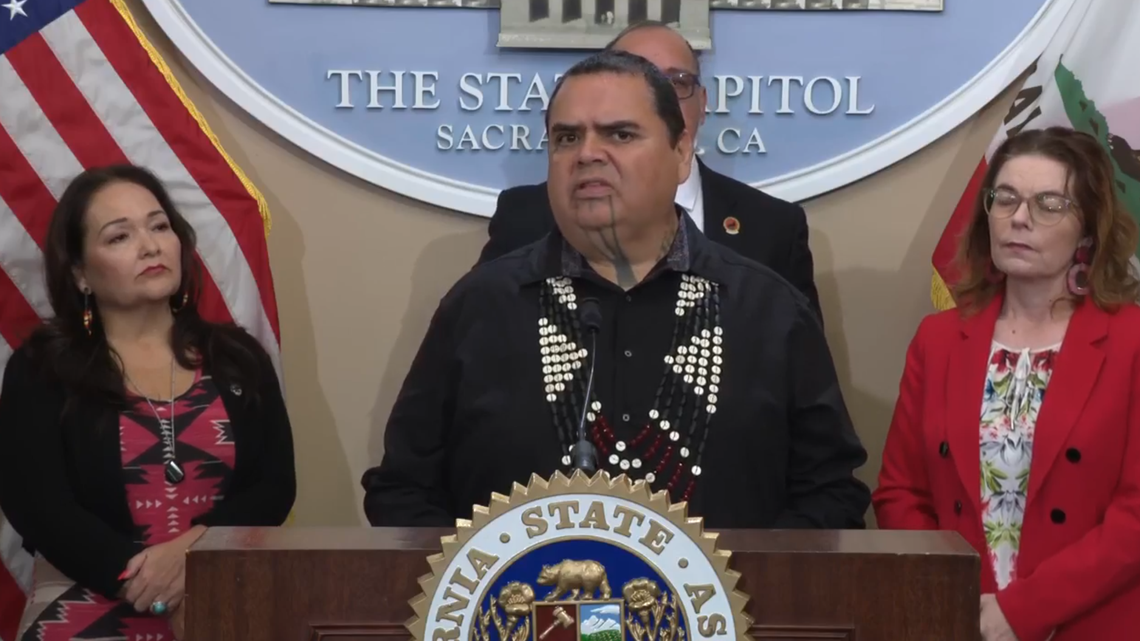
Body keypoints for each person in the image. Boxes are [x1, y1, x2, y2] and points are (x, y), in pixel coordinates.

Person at [361, 50, 869, 530]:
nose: (587, 154)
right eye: (565, 138)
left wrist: (746, 590)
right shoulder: (481, 306)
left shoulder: (769, 311)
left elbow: (830, 494)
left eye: (620, 134)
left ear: (681, 152)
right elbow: (402, 491)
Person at [0, 165, 296, 641]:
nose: (150, 245)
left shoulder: (239, 358)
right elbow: (39, 507)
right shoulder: (41, 369)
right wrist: (148, 584)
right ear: (80, 274)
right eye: (120, 237)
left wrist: (192, 554)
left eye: (160, 226)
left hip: (223, 606)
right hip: (83, 613)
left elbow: (274, 487)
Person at [872, 127, 1140, 641]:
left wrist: (1021, 611)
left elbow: (1133, 521)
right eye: (1007, 198)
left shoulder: (1129, 342)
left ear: (1088, 228)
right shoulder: (939, 339)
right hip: (960, 621)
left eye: (1049, 204)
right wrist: (957, 595)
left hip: (1093, 623)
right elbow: (900, 493)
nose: (1020, 218)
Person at [476, 21, 822, 322]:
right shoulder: (523, 216)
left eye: (677, 81)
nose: (660, 98)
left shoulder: (774, 227)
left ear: (703, 103)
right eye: (635, 76)